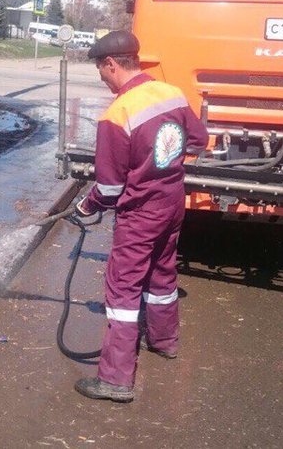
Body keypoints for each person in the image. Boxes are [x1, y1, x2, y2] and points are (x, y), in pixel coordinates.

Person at [73, 31, 209, 402]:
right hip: (172, 204)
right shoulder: (172, 93)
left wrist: (86, 206)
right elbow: (198, 141)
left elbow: (111, 189)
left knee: (122, 289)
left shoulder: (117, 115)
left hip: (141, 214)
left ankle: (116, 379)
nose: (102, 78)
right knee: (163, 275)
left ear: (111, 64)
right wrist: (163, 161)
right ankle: (165, 342)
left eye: (102, 70)